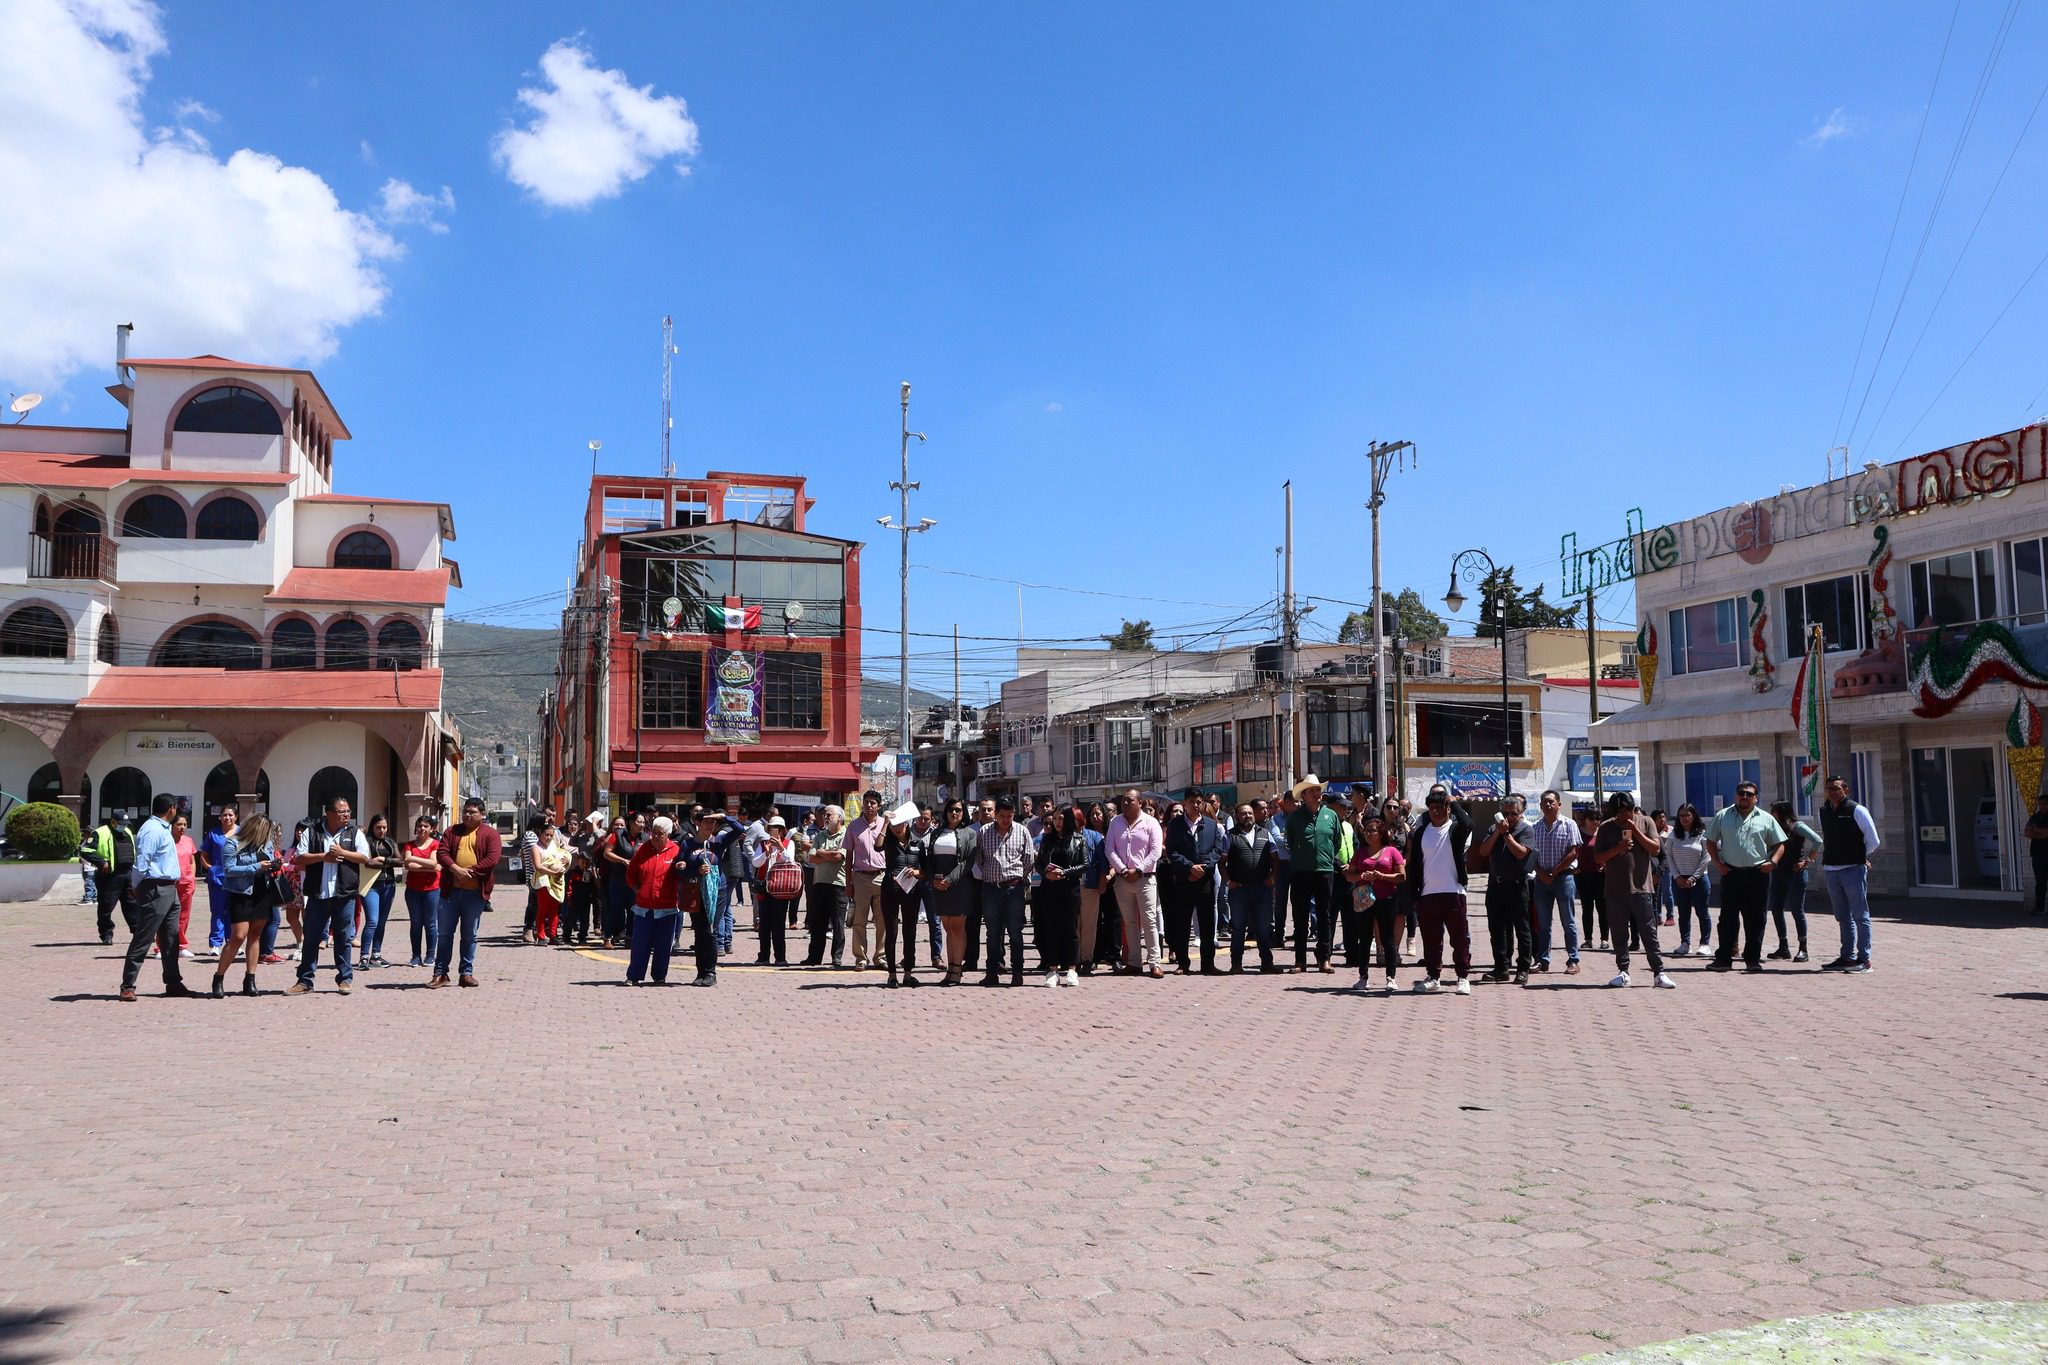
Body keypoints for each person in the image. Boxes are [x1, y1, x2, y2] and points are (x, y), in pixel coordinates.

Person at [288, 795, 372, 996]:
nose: (347, 815)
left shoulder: (353, 833)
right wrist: (323, 857)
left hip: (344, 894)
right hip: (318, 894)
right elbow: (299, 857)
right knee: (311, 938)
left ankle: (345, 979)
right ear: (329, 813)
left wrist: (343, 852)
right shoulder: (312, 832)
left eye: (348, 812)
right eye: (342, 812)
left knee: (343, 938)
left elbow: (365, 856)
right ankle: (305, 980)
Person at [1590, 792, 1674, 989]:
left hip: (1641, 887)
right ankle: (1623, 971)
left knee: (1648, 932)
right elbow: (1598, 858)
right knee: (1619, 933)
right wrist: (1617, 849)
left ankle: (1659, 972)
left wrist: (1635, 830)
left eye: (1627, 810)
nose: (1623, 815)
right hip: (1614, 889)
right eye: (1618, 812)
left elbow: (1655, 849)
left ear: (1633, 808)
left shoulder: (1645, 822)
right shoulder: (1606, 827)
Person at [1703, 781, 1784, 974]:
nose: (1745, 797)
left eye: (1749, 794)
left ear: (1756, 797)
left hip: (1758, 874)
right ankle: (1723, 959)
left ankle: (1753, 960)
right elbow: (1710, 840)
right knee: (1727, 918)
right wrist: (1717, 863)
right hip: (1731, 873)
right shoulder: (1723, 816)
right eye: (1741, 793)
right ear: (1735, 795)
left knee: (1756, 918)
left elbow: (1780, 844)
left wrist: (1772, 863)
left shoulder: (1766, 818)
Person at [116, 794, 192, 1001]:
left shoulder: (164, 828)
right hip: (155, 887)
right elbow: (142, 860)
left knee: (171, 938)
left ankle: (173, 982)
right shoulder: (151, 830)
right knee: (144, 936)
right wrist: (136, 886)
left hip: (170, 888)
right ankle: (127, 985)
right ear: (172, 808)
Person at [1403, 785, 1473, 995]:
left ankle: (1462, 977)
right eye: (1432, 807)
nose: (1436, 811)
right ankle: (1433, 977)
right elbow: (1415, 864)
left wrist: (1453, 802)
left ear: (1447, 808)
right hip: (1428, 894)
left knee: (1459, 938)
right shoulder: (1422, 832)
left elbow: (1469, 823)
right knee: (1432, 940)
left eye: (1440, 807)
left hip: (1453, 892)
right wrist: (1415, 893)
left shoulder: (1455, 829)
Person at [210, 815, 286, 996]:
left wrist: (274, 865)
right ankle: (219, 977)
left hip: (262, 893)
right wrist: (256, 866)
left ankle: (250, 979)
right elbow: (228, 869)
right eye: (264, 832)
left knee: (255, 935)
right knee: (238, 936)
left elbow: (269, 861)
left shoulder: (266, 844)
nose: (267, 836)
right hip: (241, 893)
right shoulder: (232, 843)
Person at [432, 798, 502, 989]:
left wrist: (468, 871)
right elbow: (442, 853)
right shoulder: (451, 831)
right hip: (450, 893)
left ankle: (466, 973)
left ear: (482, 814)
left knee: (470, 935)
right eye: (465, 811)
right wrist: (455, 869)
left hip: (474, 894)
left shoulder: (491, 834)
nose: (467, 815)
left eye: (472, 812)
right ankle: (440, 973)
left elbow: (492, 859)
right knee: (445, 934)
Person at [1818, 774, 1883, 973]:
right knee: (1842, 917)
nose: (1833, 792)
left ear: (1845, 790)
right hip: (1831, 869)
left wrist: (1860, 855)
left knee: (1860, 915)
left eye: (1837, 788)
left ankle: (1865, 959)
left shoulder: (1857, 810)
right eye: (1829, 789)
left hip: (1853, 869)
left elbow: (1873, 840)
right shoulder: (1824, 811)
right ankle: (1847, 957)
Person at [1284, 776, 1344, 974]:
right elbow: (1290, 842)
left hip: (1325, 871)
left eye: (1318, 790)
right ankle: (1300, 960)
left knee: (1325, 916)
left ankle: (1324, 958)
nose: (1317, 794)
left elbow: (1336, 841)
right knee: (1300, 917)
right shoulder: (1294, 818)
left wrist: (1326, 857)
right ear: (1304, 795)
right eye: (1312, 791)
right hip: (1301, 871)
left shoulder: (1331, 815)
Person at [1163, 789, 1226, 974]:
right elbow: (1172, 851)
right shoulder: (1175, 825)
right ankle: (1183, 963)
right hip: (1184, 879)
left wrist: (1203, 868)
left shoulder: (1211, 825)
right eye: (1192, 802)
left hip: (1205, 880)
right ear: (1185, 803)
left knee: (1207, 923)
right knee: (1182, 922)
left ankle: (1208, 963)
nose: (1196, 805)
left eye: (1199, 802)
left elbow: (1217, 850)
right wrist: (1189, 867)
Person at [975, 795, 1036, 987]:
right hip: (991, 889)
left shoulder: (1022, 831)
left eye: (1009, 816)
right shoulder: (984, 831)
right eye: (1002, 816)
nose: (1005, 820)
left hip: (1014, 888)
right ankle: (992, 973)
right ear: (996, 815)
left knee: (1015, 933)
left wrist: (1017, 878)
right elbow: (979, 858)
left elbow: (1028, 860)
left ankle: (1017, 973)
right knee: (993, 933)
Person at [1474, 794, 1535, 985]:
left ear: (1521, 813)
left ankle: (1523, 968)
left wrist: (1507, 835)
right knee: (1497, 929)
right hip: (1496, 885)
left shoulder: (1526, 830)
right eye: (1505, 813)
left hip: (1517, 886)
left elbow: (1520, 853)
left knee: (1522, 929)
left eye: (1514, 813)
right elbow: (1483, 851)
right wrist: (1497, 833)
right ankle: (1501, 967)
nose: (1509, 817)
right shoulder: (1494, 828)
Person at [1106, 788, 1165, 978]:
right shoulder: (1115, 822)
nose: (1125, 803)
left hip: (1145, 879)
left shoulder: (1151, 823)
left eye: (1130, 800)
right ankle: (1133, 962)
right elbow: (1110, 849)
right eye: (1123, 800)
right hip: (1123, 880)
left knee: (1149, 921)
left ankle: (1154, 962)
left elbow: (1155, 851)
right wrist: (1123, 869)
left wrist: (1138, 869)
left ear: (1140, 803)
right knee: (1129, 923)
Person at [677, 809, 740, 986]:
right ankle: (700, 972)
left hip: (717, 891)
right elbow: (678, 868)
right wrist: (693, 870)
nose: (710, 825)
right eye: (706, 821)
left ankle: (710, 973)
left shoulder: (718, 841)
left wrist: (723, 817)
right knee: (699, 931)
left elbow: (739, 829)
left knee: (710, 930)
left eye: (713, 822)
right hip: (695, 891)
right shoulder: (687, 844)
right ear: (697, 823)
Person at [624, 815, 687, 985]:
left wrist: (682, 868)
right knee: (640, 944)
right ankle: (634, 976)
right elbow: (631, 875)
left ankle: (659, 976)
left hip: (667, 907)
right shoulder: (643, 850)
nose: (656, 837)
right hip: (644, 907)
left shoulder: (676, 850)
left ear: (668, 835)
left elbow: (683, 875)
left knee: (663, 945)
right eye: (654, 833)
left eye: (660, 834)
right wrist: (638, 890)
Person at [1347, 817, 1406, 993]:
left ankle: (1391, 977)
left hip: (1387, 898)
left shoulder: (1392, 851)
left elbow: (1402, 876)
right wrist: (1361, 877)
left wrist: (1382, 876)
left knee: (1387, 939)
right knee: (1364, 939)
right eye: (1366, 830)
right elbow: (1350, 875)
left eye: (1372, 830)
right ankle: (1363, 977)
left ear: (1381, 833)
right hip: (1365, 899)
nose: (1368, 834)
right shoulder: (1360, 852)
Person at [1035, 804, 1091, 987]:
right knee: (1051, 929)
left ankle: (1072, 969)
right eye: (1055, 819)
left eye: (1061, 818)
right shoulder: (1047, 839)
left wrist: (1065, 872)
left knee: (1070, 929)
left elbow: (1084, 865)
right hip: (1049, 889)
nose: (1058, 822)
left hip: (1070, 889)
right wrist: (1046, 873)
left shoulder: (1079, 839)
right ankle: (1052, 969)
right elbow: (1039, 864)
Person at [1526, 790, 1581, 975]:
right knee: (1543, 924)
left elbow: (1573, 852)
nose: (1548, 805)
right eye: (1545, 802)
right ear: (1540, 806)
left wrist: (1554, 871)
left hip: (1564, 878)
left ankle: (1573, 960)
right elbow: (1531, 855)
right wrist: (1541, 873)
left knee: (1568, 922)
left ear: (1559, 804)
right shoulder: (1535, 827)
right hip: (1542, 880)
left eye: (1551, 801)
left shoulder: (1569, 824)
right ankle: (1543, 960)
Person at [923, 800, 976, 984]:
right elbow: (929, 859)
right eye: (951, 810)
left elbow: (968, 862)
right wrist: (933, 880)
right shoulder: (936, 833)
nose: (955, 813)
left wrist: (950, 879)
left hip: (960, 886)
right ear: (945, 812)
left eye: (958, 810)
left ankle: (956, 969)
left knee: (958, 927)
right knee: (948, 927)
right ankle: (950, 969)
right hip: (939, 886)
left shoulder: (969, 834)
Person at [1225, 801, 1277, 974]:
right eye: (1243, 814)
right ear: (1236, 817)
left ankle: (1267, 963)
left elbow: (1275, 858)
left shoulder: (1265, 833)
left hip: (1262, 888)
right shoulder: (1229, 835)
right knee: (1238, 927)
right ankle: (1236, 964)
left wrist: (1273, 878)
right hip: (1239, 889)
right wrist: (1228, 882)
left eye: (1249, 813)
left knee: (1264, 927)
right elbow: (1221, 863)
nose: (1247, 816)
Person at [1766, 801, 1821, 963]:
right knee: (1776, 908)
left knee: (1797, 911)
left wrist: (1807, 860)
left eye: (1773, 811)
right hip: (1778, 873)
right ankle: (1783, 947)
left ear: (1781, 812)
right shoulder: (1775, 828)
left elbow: (1818, 840)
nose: (1771, 814)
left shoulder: (1797, 826)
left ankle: (1803, 949)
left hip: (1795, 874)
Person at [880, 806, 925, 988]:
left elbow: (926, 870)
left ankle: (908, 973)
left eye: (899, 824)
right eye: (893, 825)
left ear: (907, 824)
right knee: (891, 932)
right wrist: (884, 824)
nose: (896, 828)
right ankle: (892, 975)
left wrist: (916, 872)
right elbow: (877, 846)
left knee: (910, 933)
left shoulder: (918, 843)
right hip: (890, 890)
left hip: (912, 892)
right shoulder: (888, 842)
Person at [844, 791, 888, 970]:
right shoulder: (854, 827)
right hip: (860, 877)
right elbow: (848, 856)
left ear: (878, 806)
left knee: (882, 920)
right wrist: (848, 882)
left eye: (873, 803)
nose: (869, 806)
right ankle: (861, 958)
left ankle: (881, 957)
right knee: (859, 921)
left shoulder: (885, 825)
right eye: (866, 802)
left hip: (882, 876)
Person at [752, 814, 801, 966]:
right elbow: (755, 863)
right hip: (765, 887)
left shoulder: (788, 843)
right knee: (764, 924)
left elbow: (790, 860)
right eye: (772, 829)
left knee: (779, 924)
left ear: (782, 830)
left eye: (778, 829)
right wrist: (766, 853)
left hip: (781, 887)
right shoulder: (763, 844)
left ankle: (780, 957)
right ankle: (763, 956)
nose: (775, 832)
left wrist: (780, 847)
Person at [1666, 804, 1713, 957]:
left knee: (1702, 912)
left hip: (1699, 879)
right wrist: (1677, 877)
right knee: (1683, 913)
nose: (1684, 818)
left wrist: (1694, 877)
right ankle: (1685, 943)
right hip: (1680, 879)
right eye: (1681, 815)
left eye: (1687, 815)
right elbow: (1669, 857)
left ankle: (1704, 944)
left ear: (1694, 816)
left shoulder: (1702, 834)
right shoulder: (1673, 835)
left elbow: (1707, 856)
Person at [804, 806, 849, 966]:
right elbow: (811, 858)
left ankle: (836, 957)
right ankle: (814, 957)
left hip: (838, 884)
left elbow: (839, 856)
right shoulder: (820, 835)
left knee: (838, 923)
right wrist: (828, 853)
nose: (825, 817)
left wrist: (821, 852)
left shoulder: (846, 834)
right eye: (824, 815)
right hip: (819, 882)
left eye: (829, 814)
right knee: (817, 923)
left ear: (839, 818)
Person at [356, 813, 401, 968]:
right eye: (378, 827)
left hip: (388, 885)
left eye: (384, 827)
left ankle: (376, 954)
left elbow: (400, 861)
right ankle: (364, 956)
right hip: (371, 885)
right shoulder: (365, 842)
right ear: (372, 827)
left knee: (381, 922)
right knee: (372, 921)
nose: (381, 830)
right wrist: (379, 862)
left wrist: (383, 860)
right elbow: (366, 863)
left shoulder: (389, 842)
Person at [86, 811, 136, 946]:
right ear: (113, 821)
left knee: (132, 905)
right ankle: (106, 934)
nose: (123, 827)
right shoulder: (100, 833)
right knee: (106, 907)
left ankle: (138, 932)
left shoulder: (127, 832)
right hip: (109, 877)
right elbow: (86, 850)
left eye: (125, 824)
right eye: (120, 824)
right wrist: (101, 862)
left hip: (127, 874)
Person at [196, 804, 237, 960]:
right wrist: (210, 869)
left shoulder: (241, 833)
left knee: (233, 911)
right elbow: (204, 854)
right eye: (224, 815)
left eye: (230, 815)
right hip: (217, 877)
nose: (227, 818)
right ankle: (215, 943)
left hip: (236, 878)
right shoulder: (214, 834)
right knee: (218, 911)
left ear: (236, 817)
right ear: (220, 817)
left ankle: (232, 941)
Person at [401, 815, 441, 968]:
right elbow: (408, 865)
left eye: (425, 826)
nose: (422, 829)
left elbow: (435, 863)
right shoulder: (409, 845)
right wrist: (429, 866)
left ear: (431, 829)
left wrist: (415, 860)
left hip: (432, 889)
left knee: (431, 923)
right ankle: (415, 956)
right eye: (419, 826)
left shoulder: (436, 844)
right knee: (416, 923)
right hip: (413, 890)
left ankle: (430, 955)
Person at [600, 811, 644, 947]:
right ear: (631, 823)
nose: (642, 825)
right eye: (639, 822)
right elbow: (607, 853)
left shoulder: (646, 837)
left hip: (636, 881)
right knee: (614, 909)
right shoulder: (617, 835)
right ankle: (607, 937)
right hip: (618, 879)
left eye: (643, 822)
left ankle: (630, 938)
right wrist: (622, 861)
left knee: (634, 910)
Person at [531, 818, 570, 945]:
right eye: (546, 835)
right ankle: (541, 936)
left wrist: (566, 861)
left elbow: (563, 855)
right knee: (543, 909)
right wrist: (553, 872)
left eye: (551, 835)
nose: (548, 838)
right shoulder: (535, 848)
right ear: (540, 834)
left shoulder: (554, 846)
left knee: (554, 909)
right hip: (543, 881)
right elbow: (538, 866)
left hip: (556, 881)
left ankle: (553, 935)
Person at [1574, 808, 1609, 950]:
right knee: (1587, 908)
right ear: (1586, 819)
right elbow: (1571, 849)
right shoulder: (1578, 832)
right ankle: (1588, 939)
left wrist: (1605, 864)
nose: (1596, 822)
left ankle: (1604, 939)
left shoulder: (1602, 833)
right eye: (1592, 819)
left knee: (1603, 908)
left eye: (1598, 819)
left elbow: (1609, 850)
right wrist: (1575, 867)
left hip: (1600, 875)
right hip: (1583, 875)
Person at [171, 812, 198, 958]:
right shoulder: (167, 840)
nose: (182, 827)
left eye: (184, 825)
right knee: (166, 915)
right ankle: (162, 947)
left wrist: (192, 878)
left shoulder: (188, 840)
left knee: (184, 915)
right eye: (179, 824)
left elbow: (192, 861)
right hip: (171, 883)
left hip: (187, 882)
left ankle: (181, 945)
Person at [1651, 809, 1678, 927]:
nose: (1662, 820)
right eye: (1659, 818)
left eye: (1663, 817)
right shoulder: (1650, 831)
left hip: (1667, 865)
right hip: (1655, 865)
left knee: (1668, 891)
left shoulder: (1671, 831)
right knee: (1657, 892)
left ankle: (1670, 916)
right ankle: (1658, 916)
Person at [2027, 792, 2048, 916]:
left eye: (2045, 804)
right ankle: (2039, 908)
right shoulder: (2034, 818)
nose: (2042, 807)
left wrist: (2037, 831)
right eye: (2040, 804)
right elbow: (2027, 832)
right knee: (2040, 883)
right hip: (2038, 855)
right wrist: (2041, 833)